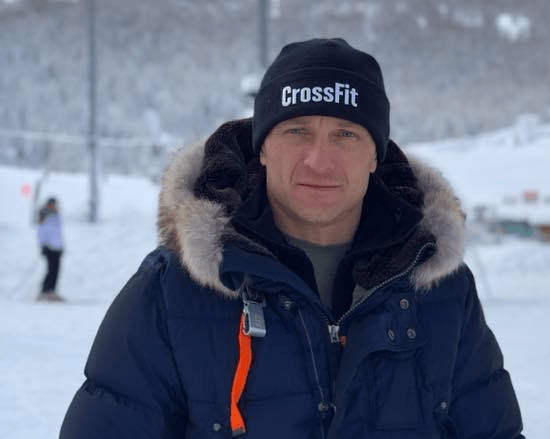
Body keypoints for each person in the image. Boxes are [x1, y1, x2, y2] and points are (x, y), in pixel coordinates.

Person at [60, 38, 524, 438]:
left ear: (375, 156)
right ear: (263, 146)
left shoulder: (440, 290)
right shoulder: (172, 290)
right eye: (296, 131)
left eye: (345, 134)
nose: (318, 160)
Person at [36, 197, 64, 302]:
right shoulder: (44, 215)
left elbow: (58, 233)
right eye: (52, 204)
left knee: (56, 270)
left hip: (57, 248)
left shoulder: (57, 215)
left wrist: (61, 247)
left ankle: (52, 290)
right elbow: (41, 232)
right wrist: (43, 246)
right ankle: (45, 290)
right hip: (49, 248)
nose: (54, 206)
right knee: (51, 270)